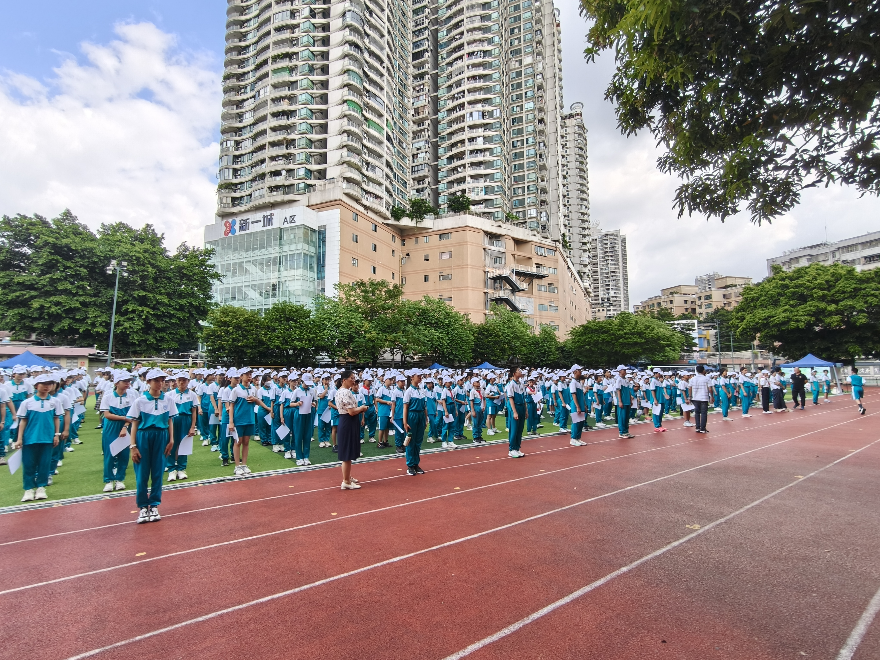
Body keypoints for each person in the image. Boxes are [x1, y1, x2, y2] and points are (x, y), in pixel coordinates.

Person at [127, 369, 177, 523]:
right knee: (142, 473)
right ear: (148, 382)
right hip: (143, 436)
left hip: (162, 436)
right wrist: (133, 446)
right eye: (156, 380)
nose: (160, 383)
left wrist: (171, 439)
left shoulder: (168, 400)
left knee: (157, 472)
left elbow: (170, 420)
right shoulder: (140, 401)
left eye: (162, 380)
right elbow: (134, 424)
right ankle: (143, 506)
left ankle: (154, 505)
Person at [14, 373, 64, 502]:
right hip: (30, 438)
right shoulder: (27, 402)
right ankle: (28, 489)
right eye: (44, 384)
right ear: (36, 386)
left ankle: (41, 487)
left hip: (47, 438)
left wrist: (56, 435)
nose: (47, 387)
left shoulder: (55, 401)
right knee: (29, 464)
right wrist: (19, 439)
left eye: (50, 384)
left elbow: (56, 419)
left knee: (44, 464)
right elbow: (23, 421)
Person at [98, 371, 137, 492]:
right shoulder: (108, 396)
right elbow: (107, 414)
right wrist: (123, 418)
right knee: (109, 454)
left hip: (126, 427)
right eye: (124, 381)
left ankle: (120, 479)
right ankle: (108, 480)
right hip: (111, 427)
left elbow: (133, 415)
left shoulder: (132, 396)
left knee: (123, 455)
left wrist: (125, 426)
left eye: (129, 381)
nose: (127, 383)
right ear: (116, 383)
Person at [335, 369, 367, 489]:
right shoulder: (345, 392)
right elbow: (351, 411)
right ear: (344, 380)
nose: (354, 381)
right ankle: (346, 481)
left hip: (347, 421)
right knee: (347, 453)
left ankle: (347, 477)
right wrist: (362, 408)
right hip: (348, 421)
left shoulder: (342, 391)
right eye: (351, 378)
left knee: (348, 451)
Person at [167, 372, 199, 482]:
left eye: (184, 380)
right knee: (171, 443)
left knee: (184, 445)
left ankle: (181, 468)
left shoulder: (192, 395)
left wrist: (192, 427)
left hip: (186, 420)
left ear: (188, 381)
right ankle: (171, 469)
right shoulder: (170, 394)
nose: (181, 382)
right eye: (179, 380)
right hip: (173, 420)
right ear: (176, 381)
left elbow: (194, 412)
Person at [402, 369, 428, 475]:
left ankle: (416, 463)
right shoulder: (409, 391)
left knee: (418, 441)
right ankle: (410, 465)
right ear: (412, 377)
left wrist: (426, 418)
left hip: (421, 416)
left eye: (421, 376)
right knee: (411, 441)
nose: (420, 377)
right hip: (412, 416)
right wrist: (405, 422)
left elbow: (424, 406)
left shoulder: (422, 390)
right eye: (418, 376)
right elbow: (405, 407)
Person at [505, 368, 527, 458]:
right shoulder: (511, 384)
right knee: (514, 429)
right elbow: (510, 399)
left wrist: (526, 411)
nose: (521, 372)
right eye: (519, 371)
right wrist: (514, 412)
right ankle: (511, 449)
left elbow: (524, 398)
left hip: (522, 407)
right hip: (515, 407)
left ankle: (517, 448)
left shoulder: (521, 384)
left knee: (520, 429)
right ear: (514, 373)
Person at [690, 365, 713, 434]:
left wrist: (690, 396)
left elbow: (689, 388)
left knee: (697, 413)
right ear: (703, 370)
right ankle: (702, 428)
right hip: (704, 398)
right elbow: (710, 389)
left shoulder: (693, 379)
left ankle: (697, 427)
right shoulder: (706, 379)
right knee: (703, 413)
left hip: (695, 398)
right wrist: (712, 396)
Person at [469, 377, 486, 444]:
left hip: (481, 407)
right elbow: (471, 401)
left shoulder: (482, 390)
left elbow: (484, 399)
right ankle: (475, 437)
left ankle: (479, 436)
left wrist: (484, 406)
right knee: (475, 423)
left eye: (478, 381)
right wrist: (473, 410)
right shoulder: (472, 391)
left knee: (480, 422)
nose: (478, 383)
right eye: (477, 382)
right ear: (473, 383)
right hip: (476, 407)